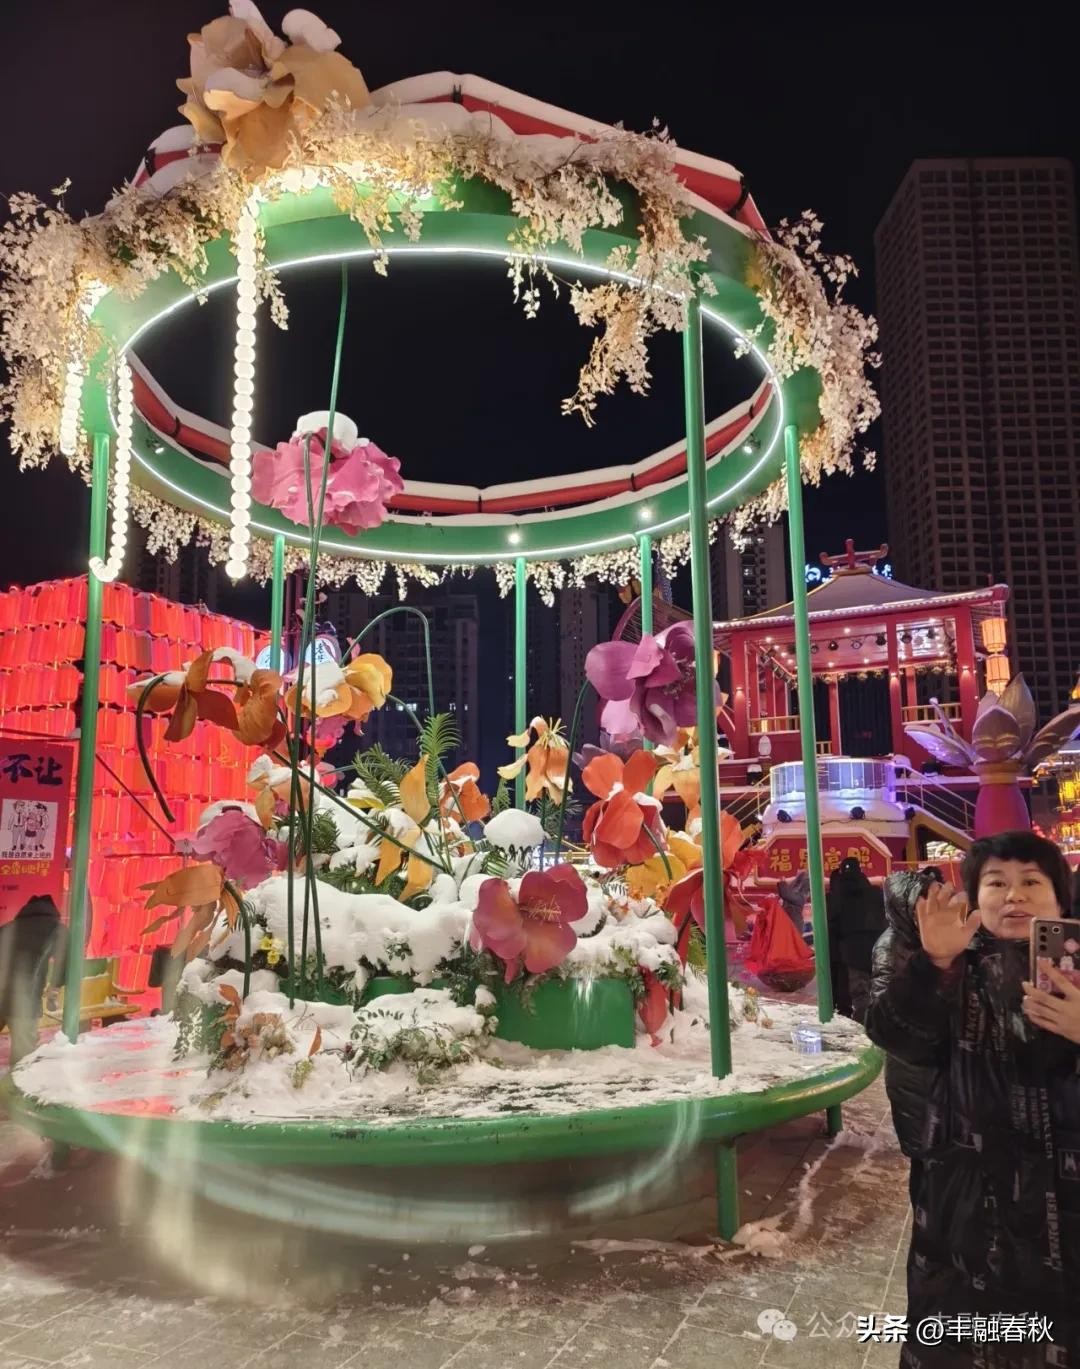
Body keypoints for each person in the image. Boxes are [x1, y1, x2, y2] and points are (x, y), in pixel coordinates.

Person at [865, 831, 1080, 1365]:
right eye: (996, 883)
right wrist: (933, 965)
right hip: (963, 1212)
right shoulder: (951, 965)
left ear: (1061, 901)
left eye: (1032, 882)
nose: (1014, 895)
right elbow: (895, 1037)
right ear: (976, 899)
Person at [0, 896, 66, 1068]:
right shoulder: (56, 929)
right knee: (23, 1056)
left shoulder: (8, 927)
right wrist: (54, 988)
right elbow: (65, 962)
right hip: (24, 998)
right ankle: (17, 1083)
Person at [826, 856, 885, 1022]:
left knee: (859, 992)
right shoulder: (875, 892)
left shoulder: (837, 895)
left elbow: (832, 922)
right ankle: (878, 1023)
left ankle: (862, 1024)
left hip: (851, 950)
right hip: (876, 947)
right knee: (878, 988)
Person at [776, 868, 810, 937]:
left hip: (794, 926)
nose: (798, 871)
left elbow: (786, 894)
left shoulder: (800, 897)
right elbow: (786, 894)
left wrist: (783, 883)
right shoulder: (796, 890)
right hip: (788, 925)